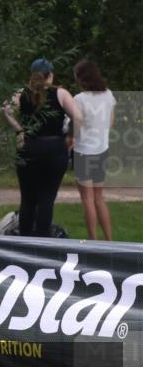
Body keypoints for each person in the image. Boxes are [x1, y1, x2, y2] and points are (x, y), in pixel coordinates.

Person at [0, 58, 83, 237]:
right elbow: (78, 117)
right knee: (47, 198)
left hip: (28, 148)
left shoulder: (22, 93)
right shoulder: (60, 93)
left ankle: (24, 239)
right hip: (54, 149)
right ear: (50, 75)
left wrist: (19, 130)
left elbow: (5, 109)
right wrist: (71, 136)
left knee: (28, 198)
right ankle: (43, 241)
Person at [71, 59, 117, 240]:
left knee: (87, 200)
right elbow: (111, 122)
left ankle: (93, 242)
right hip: (102, 151)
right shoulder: (108, 94)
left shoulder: (79, 99)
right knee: (99, 198)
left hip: (83, 152)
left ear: (81, 78)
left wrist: (71, 137)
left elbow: (76, 124)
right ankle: (110, 242)